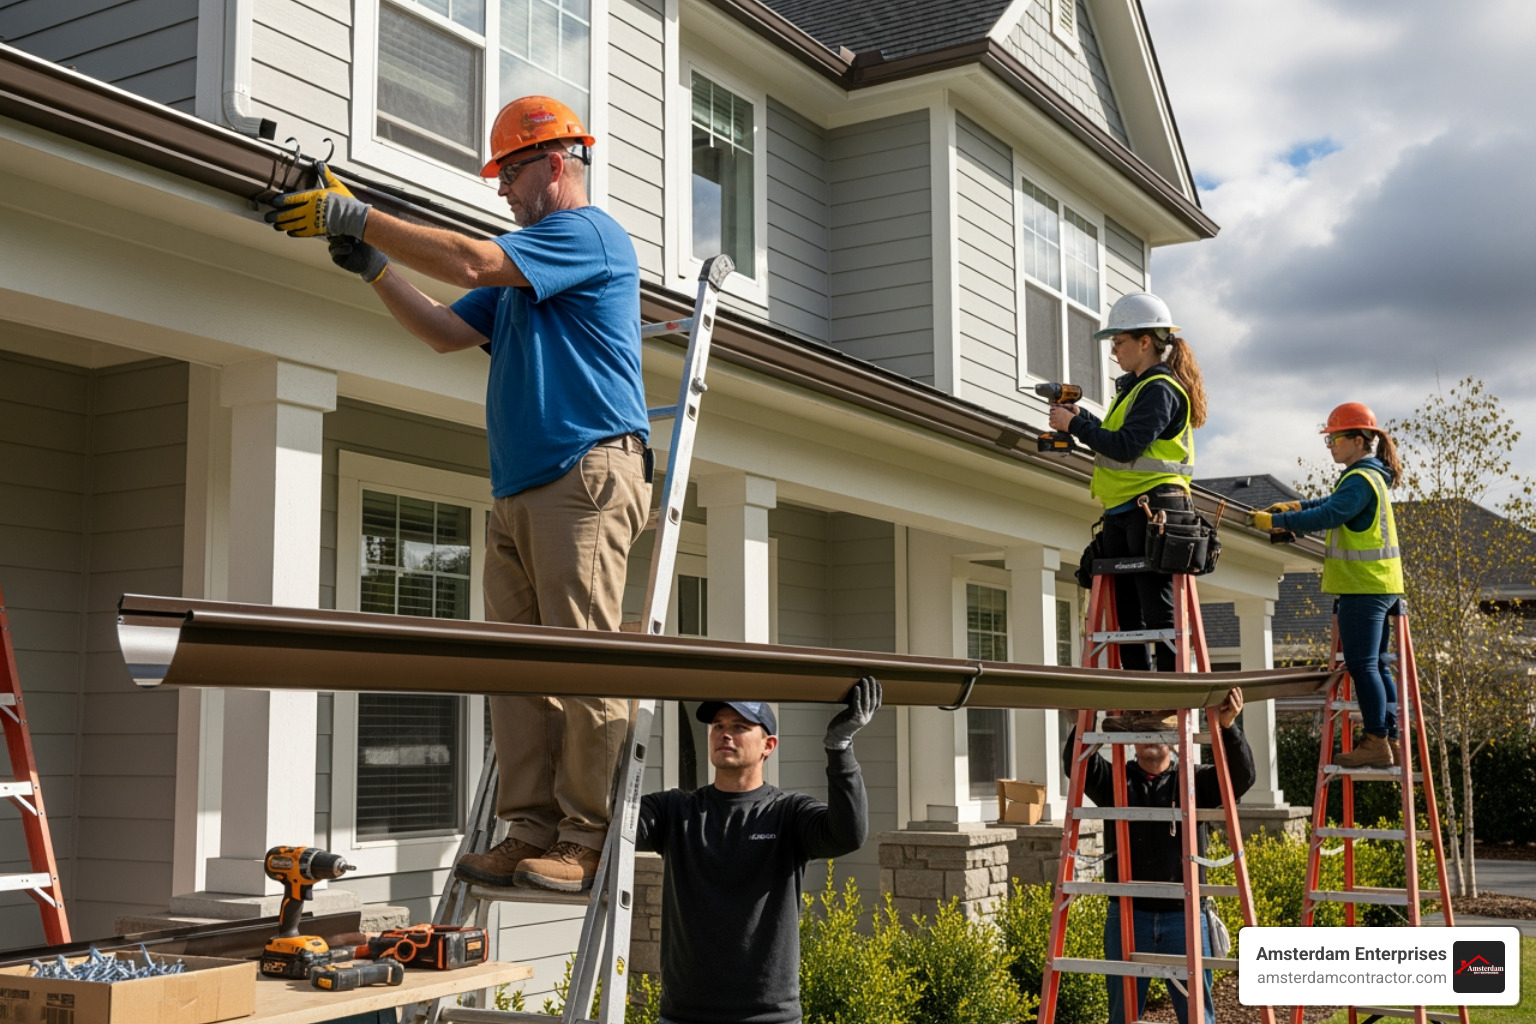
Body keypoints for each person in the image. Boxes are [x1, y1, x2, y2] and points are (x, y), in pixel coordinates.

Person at [265, 96, 650, 892]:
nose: (501, 191)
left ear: (554, 163)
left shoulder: (588, 234)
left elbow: (471, 261)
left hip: (584, 473)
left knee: (585, 661)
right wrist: (375, 268)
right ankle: (530, 830)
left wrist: (360, 216)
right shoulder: (525, 272)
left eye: (509, 173)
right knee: (513, 669)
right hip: (521, 488)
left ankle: (585, 839)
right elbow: (445, 330)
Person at [637, 678, 878, 1024]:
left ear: (769, 745)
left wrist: (839, 746)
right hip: (684, 1015)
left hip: (769, 1016)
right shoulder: (675, 811)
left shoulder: (787, 813)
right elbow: (616, 821)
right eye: (718, 726)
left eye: (740, 727)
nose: (725, 734)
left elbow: (848, 835)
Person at [1048, 292, 1209, 726]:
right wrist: (1083, 423)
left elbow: (1126, 447)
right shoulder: (1136, 390)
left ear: (1145, 341)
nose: (1114, 351)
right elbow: (1117, 441)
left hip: (1155, 511)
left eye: (1118, 342)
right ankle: (1140, 704)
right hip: (1125, 512)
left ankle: (1169, 705)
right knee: (1128, 621)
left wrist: (1074, 425)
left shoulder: (1160, 390)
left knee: (1158, 615)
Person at [1066, 688, 1253, 1024]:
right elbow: (1076, 766)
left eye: (1157, 721)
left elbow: (1241, 777)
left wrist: (1227, 727)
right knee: (1123, 1017)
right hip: (1128, 915)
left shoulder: (1193, 780)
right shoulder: (1115, 780)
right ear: (1131, 734)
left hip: (1185, 915)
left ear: (1173, 731)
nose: (1150, 731)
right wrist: (1085, 718)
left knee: (1197, 1017)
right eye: (1142, 720)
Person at [1251, 403, 1404, 768]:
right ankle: (1390, 739)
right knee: (1378, 665)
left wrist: (1279, 522)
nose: (1331, 445)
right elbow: (1330, 503)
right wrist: (1296, 506)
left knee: (1363, 666)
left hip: (1362, 587)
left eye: (1335, 439)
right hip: (1381, 585)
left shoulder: (1360, 479)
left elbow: (1331, 513)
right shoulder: (1369, 476)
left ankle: (1376, 741)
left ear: (1358, 440)